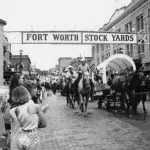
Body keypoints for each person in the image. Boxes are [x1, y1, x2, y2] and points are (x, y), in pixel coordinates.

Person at [9, 86, 47, 150]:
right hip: (34, 137)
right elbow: (44, 124)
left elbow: (16, 127)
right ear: (27, 93)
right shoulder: (36, 107)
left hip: (21, 138)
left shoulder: (13, 110)